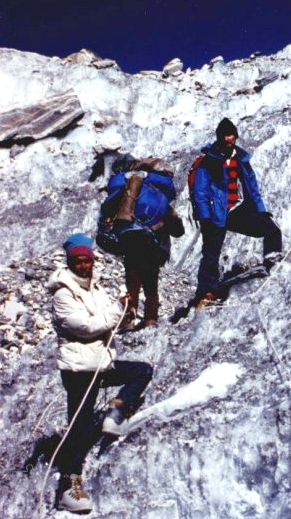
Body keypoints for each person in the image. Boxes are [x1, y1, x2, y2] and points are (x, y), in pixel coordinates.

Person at [47, 233, 153, 513]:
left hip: (100, 364)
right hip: (79, 370)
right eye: (79, 261)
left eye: (87, 260)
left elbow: (106, 318)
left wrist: (120, 311)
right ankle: (68, 487)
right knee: (79, 427)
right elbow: (84, 326)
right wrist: (118, 309)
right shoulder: (62, 293)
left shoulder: (94, 288)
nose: (84, 265)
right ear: (70, 262)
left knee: (141, 371)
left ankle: (115, 412)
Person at [190, 118, 283, 308]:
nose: (229, 138)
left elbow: (252, 186)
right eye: (225, 135)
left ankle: (273, 260)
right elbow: (200, 190)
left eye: (231, 135)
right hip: (215, 213)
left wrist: (261, 210)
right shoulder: (209, 160)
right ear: (220, 137)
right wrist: (204, 215)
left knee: (270, 228)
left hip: (236, 209)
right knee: (211, 254)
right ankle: (206, 293)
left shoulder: (240, 157)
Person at [101, 157, 185, 330]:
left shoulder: (130, 193)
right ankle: (150, 319)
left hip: (130, 241)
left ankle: (128, 317)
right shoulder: (160, 199)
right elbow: (178, 231)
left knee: (132, 282)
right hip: (153, 246)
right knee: (150, 283)